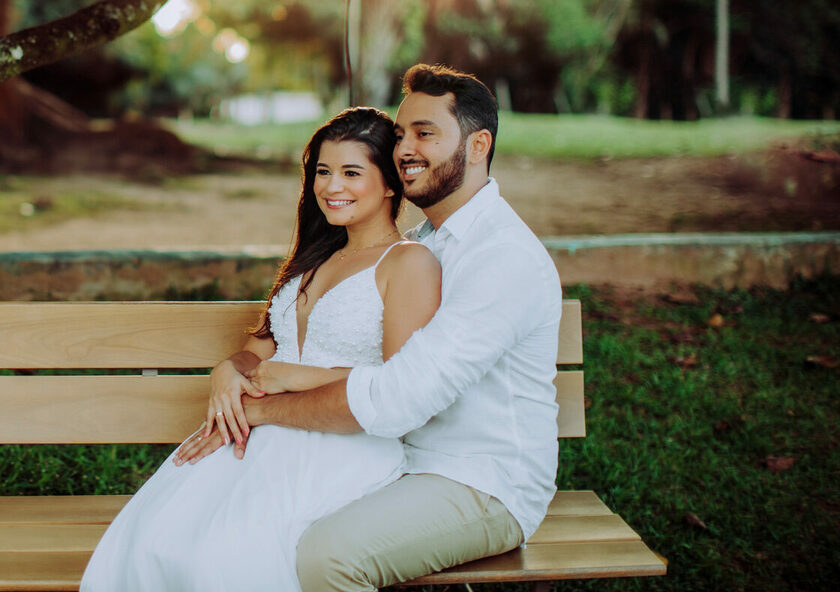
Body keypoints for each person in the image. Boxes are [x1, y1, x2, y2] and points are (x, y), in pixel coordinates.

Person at [174, 63, 562, 592]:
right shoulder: (429, 239)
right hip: (396, 459)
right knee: (242, 530)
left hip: (481, 481)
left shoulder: (501, 257)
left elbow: (400, 397)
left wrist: (263, 407)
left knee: (326, 558)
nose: (404, 149)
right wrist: (245, 373)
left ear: (477, 146)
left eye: (426, 134)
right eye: (401, 134)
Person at [79, 107, 442, 592]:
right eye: (323, 172)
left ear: (391, 184)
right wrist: (229, 370)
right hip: (265, 428)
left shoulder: (408, 263)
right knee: (156, 540)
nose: (332, 186)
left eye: (352, 173)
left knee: (225, 557)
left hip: (345, 442)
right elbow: (260, 348)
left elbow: (404, 386)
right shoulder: (317, 257)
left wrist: (294, 377)